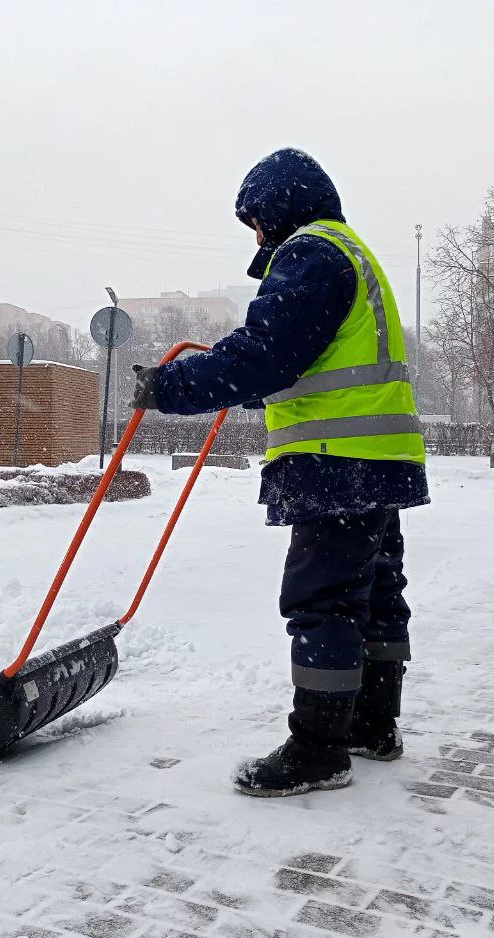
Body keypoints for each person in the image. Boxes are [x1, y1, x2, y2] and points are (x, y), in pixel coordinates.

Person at [129, 148, 429, 798]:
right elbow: (313, 362)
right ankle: (373, 726)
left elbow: (269, 352)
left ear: (279, 209)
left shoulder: (313, 254)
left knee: (323, 599)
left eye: (258, 223)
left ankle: (318, 750)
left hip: (336, 464)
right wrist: (253, 384)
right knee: (373, 590)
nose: (258, 238)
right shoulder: (351, 252)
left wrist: (169, 386)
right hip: (380, 459)